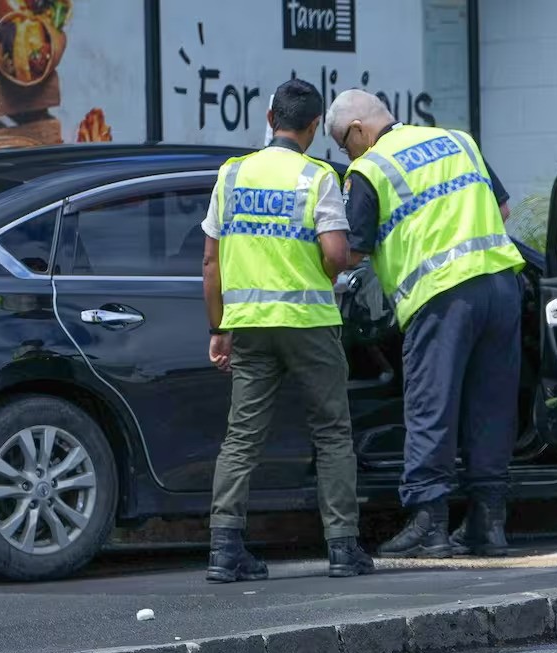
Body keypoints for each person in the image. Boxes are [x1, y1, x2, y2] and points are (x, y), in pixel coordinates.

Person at [326, 88, 525, 558]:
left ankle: (428, 525)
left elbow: (352, 252)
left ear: (358, 131)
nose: (346, 154)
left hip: (442, 295)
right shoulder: (458, 141)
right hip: (502, 286)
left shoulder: (369, 169)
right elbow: (502, 210)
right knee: (491, 406)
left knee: (430, 406)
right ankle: (488, 524)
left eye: (342, 145)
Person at [200, 79, 374, 582]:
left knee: (241, 437)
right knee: (332, 432)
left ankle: (224, 551)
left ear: (270, 115)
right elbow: (338, 255)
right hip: (310, 326)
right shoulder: (316, 176)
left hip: (249, 327)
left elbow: (211, 262)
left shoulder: (231, 175)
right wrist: (322, 270)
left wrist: (219, 327)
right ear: (315, 127)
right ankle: (343, 548)